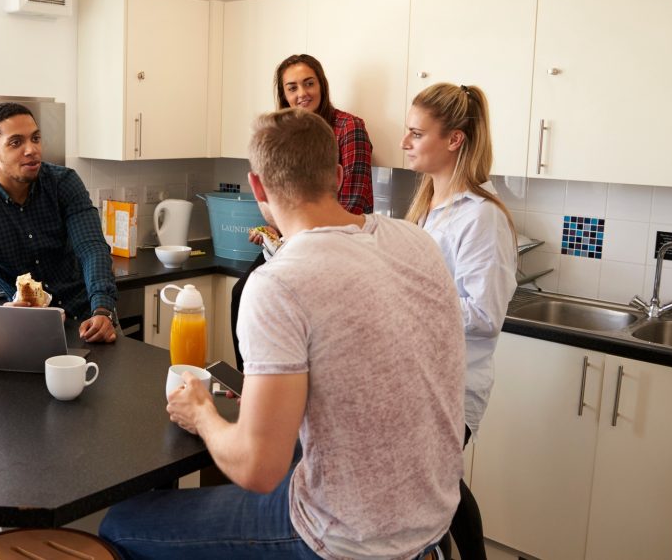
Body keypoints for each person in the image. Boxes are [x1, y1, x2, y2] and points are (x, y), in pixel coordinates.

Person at [100, 108, 466, 560]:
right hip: (432, 519)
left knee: (120, 523)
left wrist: (201, 414)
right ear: (335, 173)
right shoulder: (415, 240)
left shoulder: (279, 283)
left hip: (345, 539)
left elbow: (259, 469)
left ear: (257, 187)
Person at [402, 83, 518, 560]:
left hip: (453, 385)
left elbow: (486, 315)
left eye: (416, 133)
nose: (406, 142)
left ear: (454, 139)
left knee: (437, 488)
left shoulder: (481, 218)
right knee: (440, 487)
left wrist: (409, 299)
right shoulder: (428, 204)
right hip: (422, 376)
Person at [229, 53, 374, 368]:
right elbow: (282, 199)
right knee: (242, 292)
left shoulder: (349, 128)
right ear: (283, 95)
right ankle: (250, 383)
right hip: (289, 241)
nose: (301, 94)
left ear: (321, 85)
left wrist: (300, 238)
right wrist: (273, 234)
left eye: (309, 84)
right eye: (292, 87)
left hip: (338, 244)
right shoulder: (283, 134)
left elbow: (353, 201)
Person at [0, 102, 119, 343]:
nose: (31, 149)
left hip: (90, 318)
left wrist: (103, 309)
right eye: (16, 142)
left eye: (35, 138)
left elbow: (92, 248)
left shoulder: (64, 183)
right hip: (25, 330)